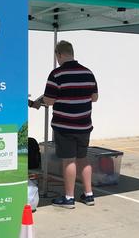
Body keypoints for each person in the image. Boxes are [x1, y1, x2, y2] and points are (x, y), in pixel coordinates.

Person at [32, 40, 98, 209]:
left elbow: (49, 100)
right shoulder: (88, 72)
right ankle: (89, 195)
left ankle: (69, 198)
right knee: (83, 158)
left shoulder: (57, 74)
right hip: (84, 125)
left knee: (69, 161)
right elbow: (95, 97)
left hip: (65, 126)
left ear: (59, 54)